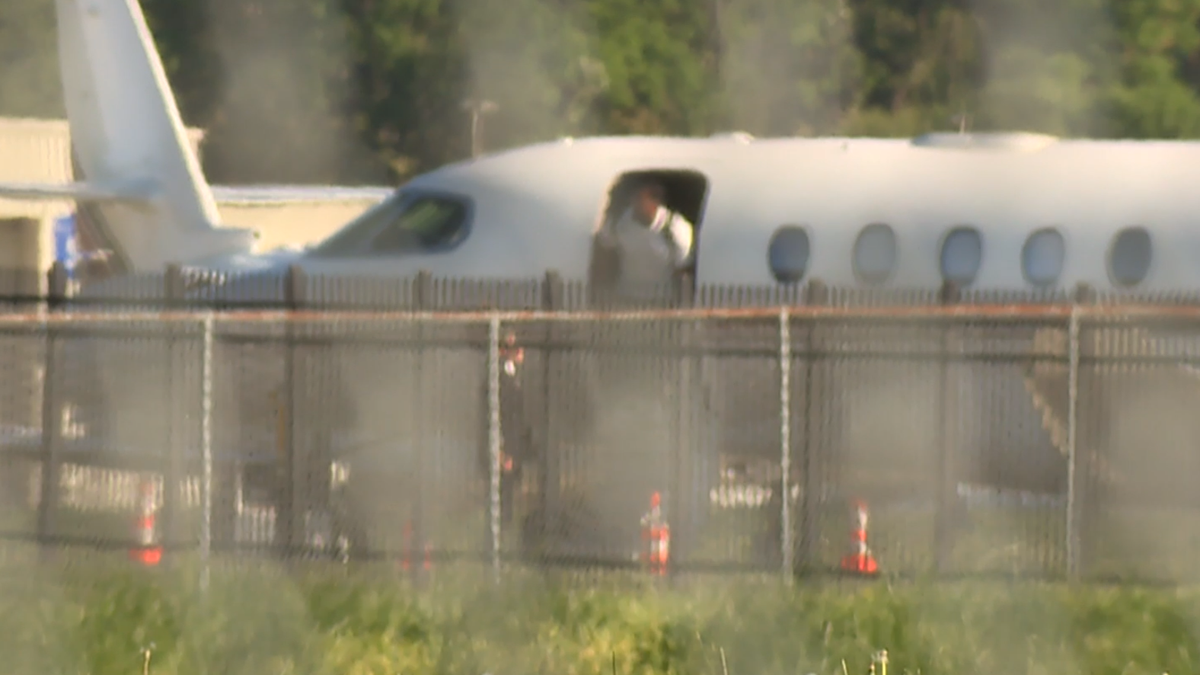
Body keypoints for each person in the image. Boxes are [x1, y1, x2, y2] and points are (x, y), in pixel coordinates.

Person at [593, 180, 696, 303]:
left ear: (656, 202)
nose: (637, 203)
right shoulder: (619, 223)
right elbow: (605, 251)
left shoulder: (675, 228)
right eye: (635, 198)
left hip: (662, 300)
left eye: (642, 198)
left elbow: (683, 268)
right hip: (626, 298)